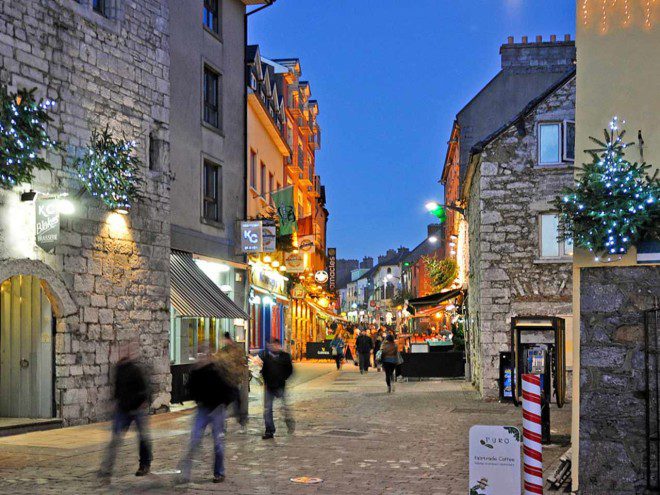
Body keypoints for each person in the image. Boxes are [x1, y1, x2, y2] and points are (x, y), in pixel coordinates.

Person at [179, 353, 237, 484]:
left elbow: (231, 389)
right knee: (194, 440)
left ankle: (219, 472)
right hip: (203, 409)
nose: (201, 358)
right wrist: (197, 399)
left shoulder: (217, 371)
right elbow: (189, 389)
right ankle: (185, 473)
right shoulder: (195, 372)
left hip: (217, 410)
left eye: (204, 355)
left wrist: (224, 404)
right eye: (199, 355)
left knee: (218, 443)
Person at [99, 343, 152, 483]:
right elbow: (117, 388)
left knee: (142, 438)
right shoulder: (118, 369)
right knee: (115, 439)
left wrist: (143, 402)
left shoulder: (136, 369)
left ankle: (145, 464)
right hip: (122, 409)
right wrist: (114, 402)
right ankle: (107, 469)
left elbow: (145, 388)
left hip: (136, 408)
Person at [259, 339, 294, 439]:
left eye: (275, 345)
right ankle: (269, 430)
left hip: (280, 386)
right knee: (267, 409)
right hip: (269, 387)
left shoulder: (285, 356)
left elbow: (290, 370)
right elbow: (264, 371)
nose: (273, 347)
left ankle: (288, 421)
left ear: (279, 346)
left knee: (284, 407)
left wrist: (283, 378)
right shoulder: (267, 357)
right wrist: (265, 381)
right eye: (272, 345)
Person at [215, 332, 249, 429]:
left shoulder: (229, 350)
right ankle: (240, 419)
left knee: (232, 400)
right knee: (232, 400)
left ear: (227, 339)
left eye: (224, 340)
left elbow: (242, 363)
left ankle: (239, 419)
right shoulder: (234, 349)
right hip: (230, 380)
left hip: (232, 379)